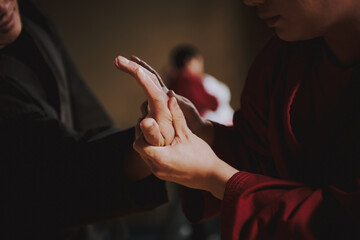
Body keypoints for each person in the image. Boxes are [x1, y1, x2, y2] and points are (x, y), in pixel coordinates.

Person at [114, 0, 360, 239]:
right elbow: (260, 151)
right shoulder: (279, 56)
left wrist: (215, 176)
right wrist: (202, 133)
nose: (250, 1)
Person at [0, 0, 167, 239]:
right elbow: (52, 168)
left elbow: (83, 104)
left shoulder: (30, 14)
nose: (4, 8)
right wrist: (141, 152)